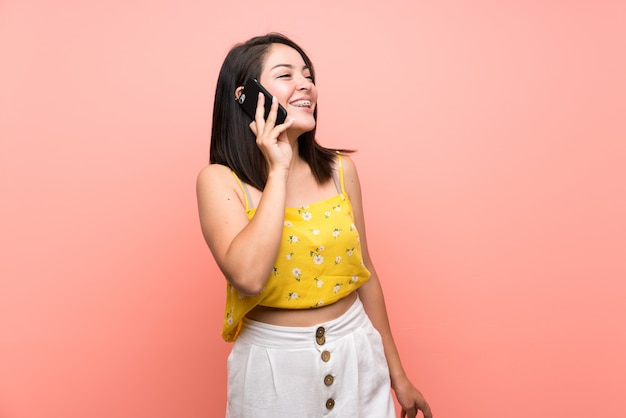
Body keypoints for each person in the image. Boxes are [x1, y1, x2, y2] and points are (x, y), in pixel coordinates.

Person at [196, 33, 432, 418]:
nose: (306, 84)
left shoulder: (341, 171)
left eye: (307, 74)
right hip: (274, 369)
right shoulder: (219, 181)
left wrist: (398, 376)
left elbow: (365, 273)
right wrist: (278, 169)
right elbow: (249, 277)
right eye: (286, 75)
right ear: (247, 96)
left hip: (357, 354)